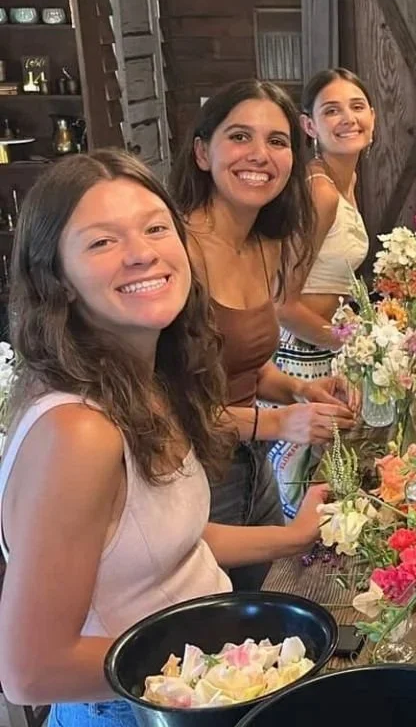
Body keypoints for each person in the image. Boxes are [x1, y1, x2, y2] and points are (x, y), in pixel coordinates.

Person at [0, 151, 327, 722]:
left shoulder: (144, 385)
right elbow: (29, 670)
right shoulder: (77, 432)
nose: (141, 253)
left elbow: (170, 542)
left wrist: (296, 538)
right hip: (145, 707)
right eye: (101, 242)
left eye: (155, 228)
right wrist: (226, 670)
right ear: (59, 280)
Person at [170, 79, 354, 589]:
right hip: (193, 477)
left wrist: (298, 389)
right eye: (240, 137)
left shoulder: (266, 245)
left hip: (252, 468)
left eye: (277, 141)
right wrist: (277, 425)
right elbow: (169, 410)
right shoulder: (177, 252)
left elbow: (244, 364)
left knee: (264, 615)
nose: (260, 154)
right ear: (203, 153)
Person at [271, 69, 373, 517]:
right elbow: (281, 304)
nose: (347, 118)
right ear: (309, 125)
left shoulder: (343, 181)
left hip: (321, 349)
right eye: (331, 110)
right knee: (310, 499)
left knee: (335, 484)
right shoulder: (319, 192)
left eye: (357, 106)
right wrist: (351, 344)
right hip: (300, 354)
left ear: (373, 116)